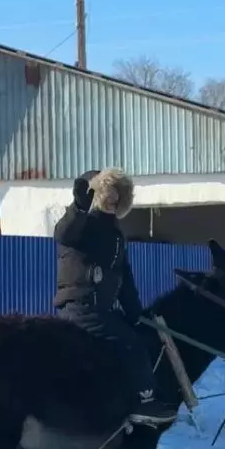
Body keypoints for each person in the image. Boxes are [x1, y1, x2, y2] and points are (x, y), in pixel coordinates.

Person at [53, 168, 177, 427]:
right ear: (96, 194)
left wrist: (135, 313)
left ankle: (122, 399)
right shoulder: (83, 224)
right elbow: (63, 234)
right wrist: (78, 206)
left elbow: (124, 278)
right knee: (130, 344)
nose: (113, 200)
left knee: (138, 336)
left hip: (101, 310)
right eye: (108, 194)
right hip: (80, 308)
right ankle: (144, 403)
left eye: (118, 195)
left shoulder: (115, 234)